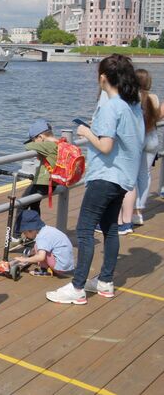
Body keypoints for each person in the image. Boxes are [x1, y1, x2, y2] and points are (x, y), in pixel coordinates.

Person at [47, 54, 144, 305]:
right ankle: (105, 282)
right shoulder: (133, 106)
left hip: (105, 176)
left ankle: (77, 287)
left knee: (85, 229)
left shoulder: (112, 105)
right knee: (110, 229)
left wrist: (86, 132)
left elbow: (105, 145)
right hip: (124, 177)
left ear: (103, 77)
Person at [116, 69, 160, 231]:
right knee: (145, 174)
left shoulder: (133, 98)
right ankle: (138, 210)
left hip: (138, 139)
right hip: (153, 138)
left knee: (131, 175)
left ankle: (127, 209)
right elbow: (158, 116)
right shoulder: (153, 97)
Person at [15, 120, 59, 237]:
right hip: (52, 183)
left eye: (34, 139)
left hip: (42, 183)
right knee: (34, 206)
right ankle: (36, 233)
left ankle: (16, 235)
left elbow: (28, 147)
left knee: (21, 204)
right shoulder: (59, 143)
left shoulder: (48, 144)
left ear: (40, 137)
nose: (33, 142)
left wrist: (38, 146)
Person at [13, 210, 74, 277]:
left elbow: (41, 257)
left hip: (60, 267)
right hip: (67, 264)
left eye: (25, 233)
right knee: (38, 247)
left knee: (37, 247)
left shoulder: (41, 237)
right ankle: (47, 267)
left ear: (30, 230)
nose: (25, 236)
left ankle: (44, 270)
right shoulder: (47, 230)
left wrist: (25, 260)